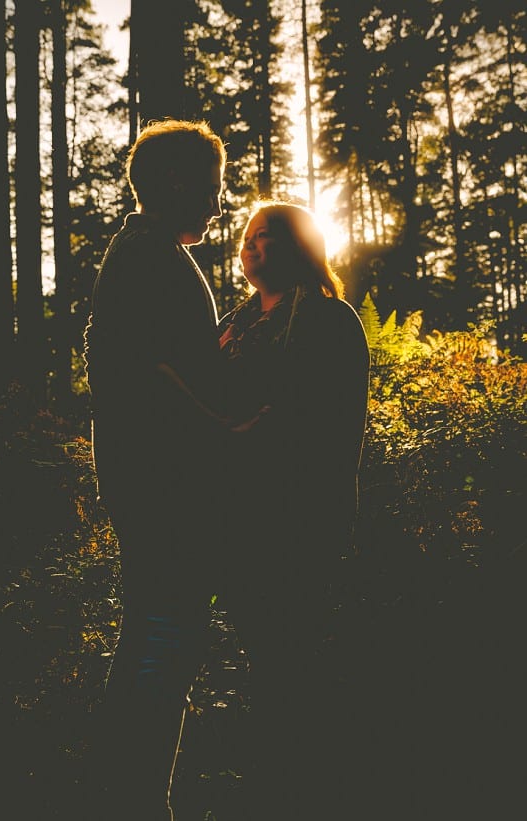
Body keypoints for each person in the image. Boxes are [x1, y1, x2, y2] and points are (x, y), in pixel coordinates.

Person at [82, 118, 232, 819]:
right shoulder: (148, 254)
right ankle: (141, 799)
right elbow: (141, 370)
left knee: (152, 628)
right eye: (211, 186)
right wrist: (225, 422)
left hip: (149, 479)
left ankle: (123, 789)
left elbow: (157, 357)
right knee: (167, 635)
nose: (218, 201)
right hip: (163, 485)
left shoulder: (144, 252)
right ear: (174, 184)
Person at [215, 200, 369, 819]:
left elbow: (327, 424)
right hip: (234, 516)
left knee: (292, 653)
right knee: (263, 650)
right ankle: (272, 777)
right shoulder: (232, 322)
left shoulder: (330, 321)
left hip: (299, 516)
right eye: (246, 239)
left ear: (302, 245)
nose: (251, 249)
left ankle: (297, 786)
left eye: (267, 239)